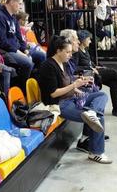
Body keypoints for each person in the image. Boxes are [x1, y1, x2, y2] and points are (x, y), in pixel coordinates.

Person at [39, 36, 112, 164]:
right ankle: (96, 153)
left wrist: (80, 84)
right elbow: (53, 94)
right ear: (58, 51)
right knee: (99, 118)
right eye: (67, 52)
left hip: (71, 98)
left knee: (101, 95)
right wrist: (74, 85)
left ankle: (91, 112)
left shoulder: (63, 63)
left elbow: (66, 83)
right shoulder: (48, 66)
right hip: (59, 105)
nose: (70, 55)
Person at [71, 29, 117, 119]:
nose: (90, 41)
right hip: (89, 74)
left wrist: (96, 66)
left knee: (114, 83)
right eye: (88, 39)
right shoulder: (77, 52)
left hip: (95, 72)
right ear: (83, 40)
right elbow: (75, 68)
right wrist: (90, 68)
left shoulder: (85, 50)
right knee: (113, 72)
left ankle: (116, 109)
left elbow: (90, 62)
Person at [0, 0, 34, 86]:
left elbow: (19, 37)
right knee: (28, 63)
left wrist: (24, 49)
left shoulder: (13, 17)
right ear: (12, 2)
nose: (21, 7)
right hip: (4, 51)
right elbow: (1, 42)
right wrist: (18, 51)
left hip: (15, 49)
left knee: (40, 56)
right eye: (19, 3)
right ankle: (20, 88)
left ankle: (32, 86)